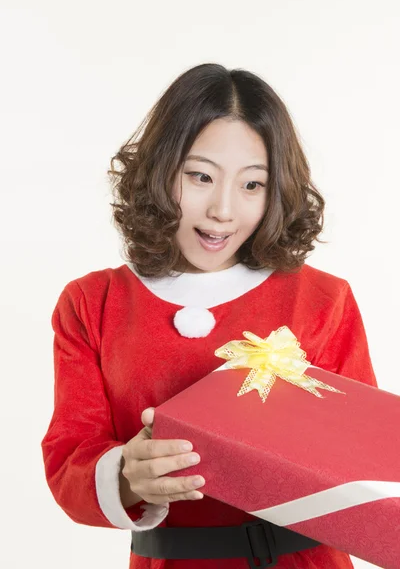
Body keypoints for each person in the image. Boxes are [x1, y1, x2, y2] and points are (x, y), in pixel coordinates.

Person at [41, 63, 378, 569]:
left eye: (252, 185)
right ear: (161, 171)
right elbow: (70, 460)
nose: (223, 209)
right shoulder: (93, 303)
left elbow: (366, 463)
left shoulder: (321, 299)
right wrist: (128, 474)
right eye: (200, 176)